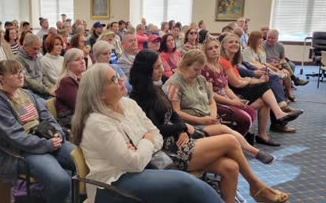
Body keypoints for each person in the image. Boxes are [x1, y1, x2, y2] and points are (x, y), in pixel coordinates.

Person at [130, 50, 289, 203]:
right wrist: (181, 128)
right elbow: (155, 129)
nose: (162, 69)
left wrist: (182, 128)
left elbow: (173, 114)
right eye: (157, 67)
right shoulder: (139, 96)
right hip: (166, 150)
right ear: (145, 70)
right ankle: (256, 186)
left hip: (178, 138)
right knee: (230, 141)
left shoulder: (155, 87)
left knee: (231, 167)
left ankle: (248, 192)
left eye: (161, 65)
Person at [71, 63, 223, 203]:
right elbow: (134, 163)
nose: (122, 80)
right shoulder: (97, 122)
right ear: (100, 94)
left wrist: (140, 147)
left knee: (223, 168)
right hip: (112, 184)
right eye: (113, 80)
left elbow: (155, 134)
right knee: (188, 184)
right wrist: (146, 141)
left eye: (118, 76)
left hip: (143, 168)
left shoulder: (128, 104)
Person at [162, 50, 283, 157]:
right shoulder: (174, 84)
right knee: (227, 134)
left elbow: (211, 101)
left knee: (228, 134)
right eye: (196, 69)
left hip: (206, 118)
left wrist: (212, 116)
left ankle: (252, 152)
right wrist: (202, 120)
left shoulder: (200, 79)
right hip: (191, 123)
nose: (199, 73)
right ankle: (254, 152)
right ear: (185, 66)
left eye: (200, 70)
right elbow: (176, 113)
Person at [0, 59, 75, 203]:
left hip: (44, 140)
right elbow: (16, 137)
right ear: (2, 79)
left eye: (21, 72)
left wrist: (58, 133)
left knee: (84, 162)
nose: (21, 75)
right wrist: (48, 145)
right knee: (61, 182)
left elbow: (48, 117)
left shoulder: (26, 93)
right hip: (20, 151)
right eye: (15, 73)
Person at [220, 34, 303, 146]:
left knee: (266, 100)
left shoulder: (232, 61)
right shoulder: (224, 61)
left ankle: (263, 134)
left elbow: (240, 78)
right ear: (223, 45)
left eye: (236, 42)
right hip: (232, 94)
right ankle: (278, 114)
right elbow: (236, 83)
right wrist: (255, 81)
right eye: (231, 42)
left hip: (238, 90)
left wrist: (256, 80)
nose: (234, 44)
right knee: (264, 88)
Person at [201, 39, 259, 137]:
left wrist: (236, 99)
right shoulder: (206, 69)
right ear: (205, 52)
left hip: (226, 99)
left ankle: (239, 138)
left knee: (251, 111)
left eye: (216, 47)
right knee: (245, 119)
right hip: (215, 103)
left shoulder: (220, 66)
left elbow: (226, 88)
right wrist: (233, 103)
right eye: (210, 49)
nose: (214, 50)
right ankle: (232, 142)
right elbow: (211, 95)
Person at [243, 31, 295, 102]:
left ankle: (286, 95)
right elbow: (253, 64)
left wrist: (275, 69)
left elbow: (264, 63)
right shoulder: (247, 50)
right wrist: (272, 71)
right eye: (261, 38)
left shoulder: (260, 49)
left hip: (264, 69)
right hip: (255, 71)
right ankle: (281, 100)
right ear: (255, 39)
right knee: (276, 77)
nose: (263, 40)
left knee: (285, 73)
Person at [55, 48, 87, 128]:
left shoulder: (83, 78)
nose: (82, 61)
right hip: (71, 121)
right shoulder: (66, 81)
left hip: (83, 117)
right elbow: (80, 106)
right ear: (68, 64)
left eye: (83, 58)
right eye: (77, 60)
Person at [17, 34, 54, 98]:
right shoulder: (18, 60)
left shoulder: (36, 57)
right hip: (30, 93)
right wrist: (47, 90)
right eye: (34, 49)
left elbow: (43, 77)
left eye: (39, 49)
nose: (37, 52)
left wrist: (52, 88)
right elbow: (28, 81)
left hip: (42, 90)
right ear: (25, 46)